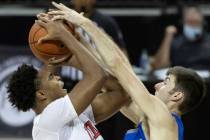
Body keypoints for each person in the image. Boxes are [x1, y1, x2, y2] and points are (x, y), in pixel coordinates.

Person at [48, 3, 206, 140]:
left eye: (166, 82)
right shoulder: (153, 120)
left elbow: (119, 64)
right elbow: (117, 89)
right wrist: (80, 41)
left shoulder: (163, 117)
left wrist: (85, 23)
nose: (157, 85)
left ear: (177, 95)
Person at [7, 13, 130, 140]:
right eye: (51, 77)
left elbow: (122, 93)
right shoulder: (47, 120)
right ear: (41, 94)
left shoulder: (73, 114)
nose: (58, 77)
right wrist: (64, 36)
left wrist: (77, 40)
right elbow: (97, 76)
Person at [61, 0, 127, 83]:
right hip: (68, 81)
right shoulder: (62, 19)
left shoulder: (106, 22)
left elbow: (121, 53)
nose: (82, 1)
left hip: (99, 81)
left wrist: (124, 77)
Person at [150, 6, 210, 70]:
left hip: (205, 78)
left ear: (203, 23)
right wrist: (168, 37)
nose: (193, 26)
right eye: (190, 22)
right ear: (183, 23)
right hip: (181, 77)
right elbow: (160, 66)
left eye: (196, 22)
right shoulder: (176, 43)